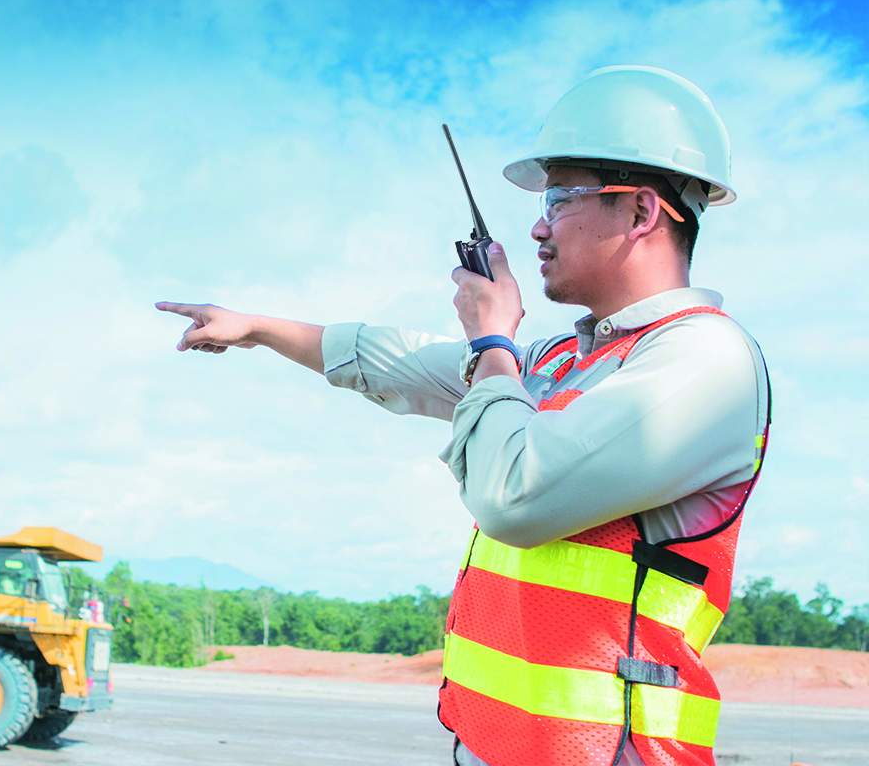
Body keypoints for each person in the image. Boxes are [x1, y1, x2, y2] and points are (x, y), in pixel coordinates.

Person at [156, 66, 769, 766]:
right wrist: (257, 327)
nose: (538, 226)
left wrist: (493, 344)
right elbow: (403, 361)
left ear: (641, 212)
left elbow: (515, 495)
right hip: (498, 748)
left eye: (563, 196)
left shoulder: (705, 360)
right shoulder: (568, 361)